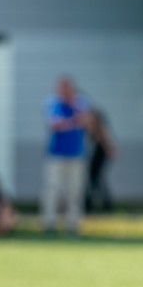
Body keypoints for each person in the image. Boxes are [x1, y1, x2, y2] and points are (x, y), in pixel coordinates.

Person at [41, 76, 92, 236]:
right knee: (52, 190)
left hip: (77, 154)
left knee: (75, 192)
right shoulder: (53, 103)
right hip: (56, 154)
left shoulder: (81, 102)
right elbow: (56, 124)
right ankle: (49, 224)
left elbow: (88, 120)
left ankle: (73, 225)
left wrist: (73, 121)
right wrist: (75, 121)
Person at [85, 108, 116, 213]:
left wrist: (109, 149)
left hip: (99, 153)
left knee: (95, 180)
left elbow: (103, 136)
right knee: (93, 180)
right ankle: (90, 205)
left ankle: (104, 205)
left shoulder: (94, 116)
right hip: (95, 153)